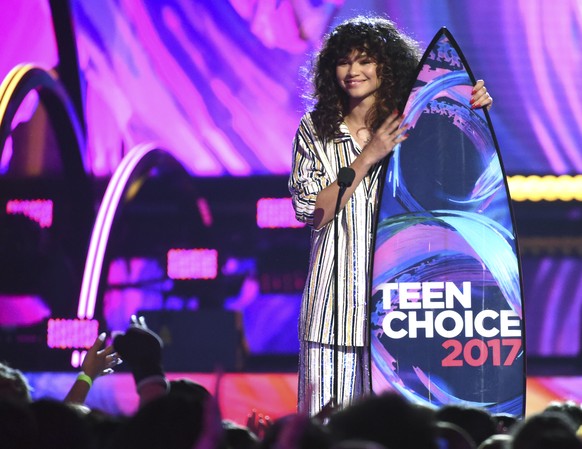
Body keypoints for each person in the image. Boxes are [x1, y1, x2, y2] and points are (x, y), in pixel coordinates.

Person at [288, 15, 493, 416]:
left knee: (400, 431)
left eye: (365, 60)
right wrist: (367, 157)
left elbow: (467, 175)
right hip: (334, 310)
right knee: (326, 428)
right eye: (344, 62)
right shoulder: (315, 129)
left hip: (407, 312)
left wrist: (475, 106)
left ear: (388, 66)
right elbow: (312, 212)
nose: (353, 71)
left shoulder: (418, 121)